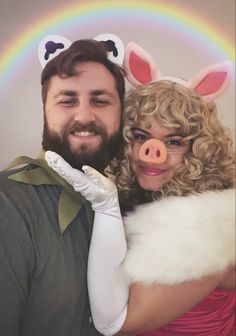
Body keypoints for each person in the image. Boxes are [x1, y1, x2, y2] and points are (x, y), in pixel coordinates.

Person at [46, 78, 235, 336]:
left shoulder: (210, 226)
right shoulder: (139, 198)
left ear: (199, 151)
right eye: (141, 137)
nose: (152, 152)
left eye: (174, 142)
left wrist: (106, 208)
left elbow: (117, 324)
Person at [0, 38, 125, 336]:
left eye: (100, 100)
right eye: (67, 101)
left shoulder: (129, 203)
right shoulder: (7, 205)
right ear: (45, 111)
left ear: (121, 112)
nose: (84, 116)